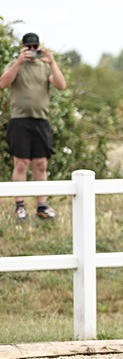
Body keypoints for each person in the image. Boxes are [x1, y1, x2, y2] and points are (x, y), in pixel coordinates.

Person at [1, 32, 67, 221]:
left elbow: (61, 85)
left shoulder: (45, 67)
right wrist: (19, 62)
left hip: (41, 120)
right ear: (22, 48)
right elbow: (3, 83)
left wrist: (52, 62)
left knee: (41, 163)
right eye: (28, 47)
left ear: (39, 47)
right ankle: (20, 205)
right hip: (19, 120)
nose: (31, 50)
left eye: (34, 47)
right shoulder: (15, 65)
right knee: (21, 163)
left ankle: (42, 205)